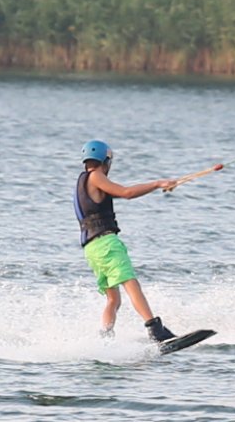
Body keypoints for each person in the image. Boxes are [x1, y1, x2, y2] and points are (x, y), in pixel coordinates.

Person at [74, 139, 178, 342]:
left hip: (92, 249)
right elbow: (127, 193)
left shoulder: (84, 182)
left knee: (113, 299)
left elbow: (121, 193)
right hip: (106, 243)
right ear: (106, 161)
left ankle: (105, 337)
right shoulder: (96, 176)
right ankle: (155, 329)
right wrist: (158, 183)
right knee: (131, 283)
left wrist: (156, 187)